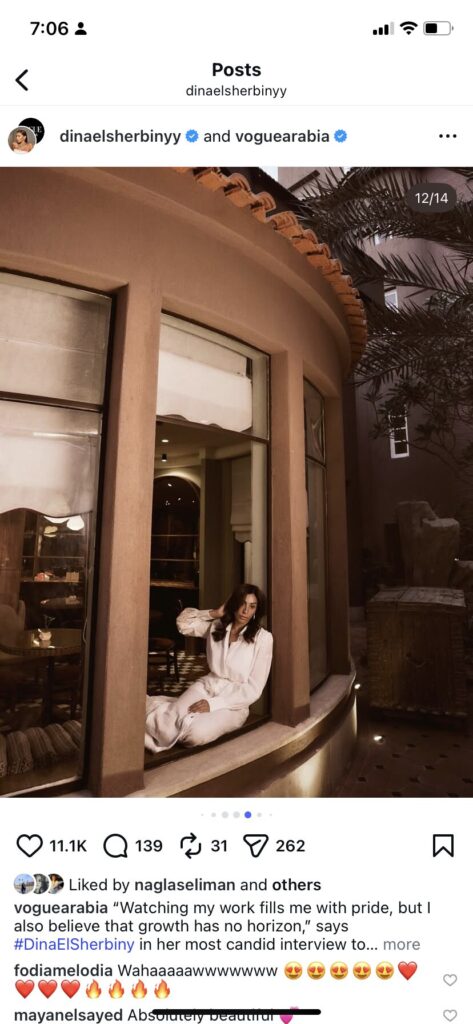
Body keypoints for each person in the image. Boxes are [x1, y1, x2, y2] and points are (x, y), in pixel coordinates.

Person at [145, 584, 273, 752]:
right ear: (233, 604)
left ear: (256, 610)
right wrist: (215, 613)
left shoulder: (263, 639)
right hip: (206, 686)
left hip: (233, 702)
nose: (245, 611)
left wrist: (212, 704)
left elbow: (253, 689)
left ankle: (170, 717)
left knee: (194, 735)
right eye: (242, 604)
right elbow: (183, 623)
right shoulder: (217, 626)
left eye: (252, 606)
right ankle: (164, 714)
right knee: (169, 723)